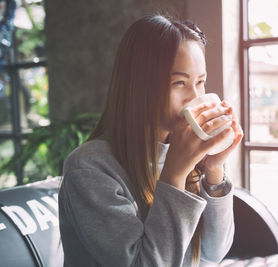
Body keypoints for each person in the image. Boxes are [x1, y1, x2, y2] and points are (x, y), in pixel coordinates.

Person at [58, 14, 243, 267]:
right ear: (140, 86)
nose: (194, 97)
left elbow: (213, 252)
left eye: (200, 82)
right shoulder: (89, 168)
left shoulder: (190, 153)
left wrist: (214, 171)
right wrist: (175, 174)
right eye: (179, 83)